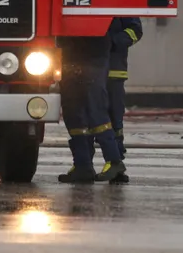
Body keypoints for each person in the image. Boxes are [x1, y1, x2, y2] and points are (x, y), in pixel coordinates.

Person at [57, 34, 126, 184]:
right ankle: (83, 166)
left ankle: (114, 161)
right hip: (72, 56)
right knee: (75, 116)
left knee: (95, 112)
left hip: (91, 56)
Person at [105, 17, 143, 175]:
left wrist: (113, 42)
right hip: (89, 72)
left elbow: (136, 31)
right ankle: (84, 165)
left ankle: (116, 164)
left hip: (114, 72)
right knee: (88, 120)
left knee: (115, 120)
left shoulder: (121, 3)